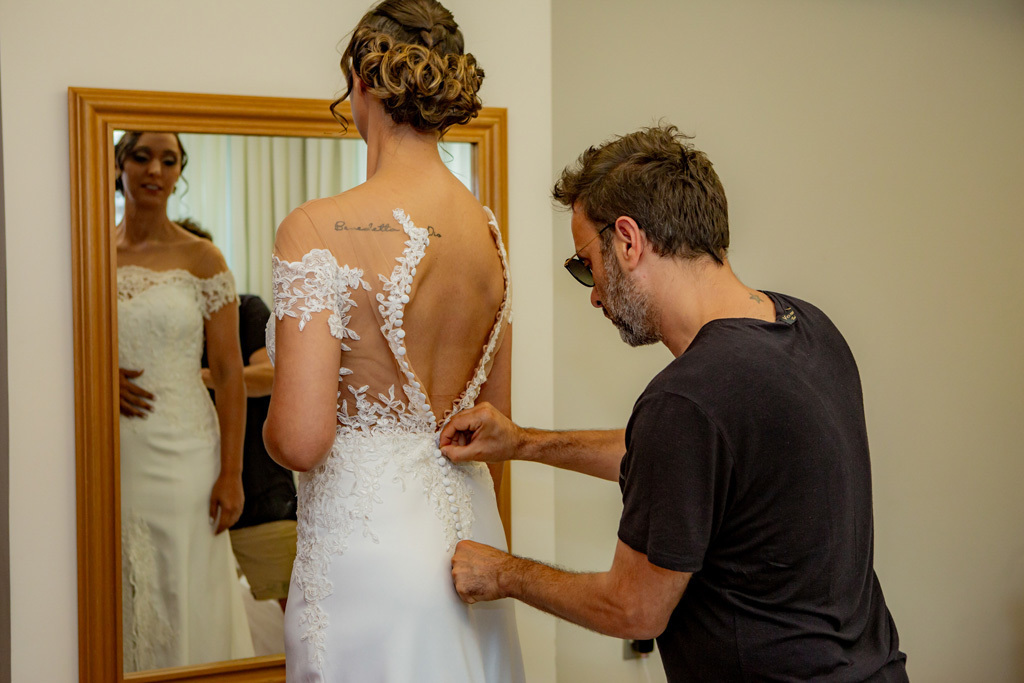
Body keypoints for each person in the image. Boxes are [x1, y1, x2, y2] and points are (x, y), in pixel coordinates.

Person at [441, 125, 909, 681]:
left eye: (585, 264)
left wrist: (502, 573)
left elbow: (633, 607)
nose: (591, 293)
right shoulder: (806, 326)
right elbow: (693, 465)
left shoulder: (686, 401)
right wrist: (523, 443)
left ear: (628, 240)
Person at [261, 1, 525, 681]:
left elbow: (300, 438)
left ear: (361, 82)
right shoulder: (488, 236)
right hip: (472, 536)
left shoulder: (317, 227)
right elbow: (491, 425)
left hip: (368, 551)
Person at [115, 132, 254, 670]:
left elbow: (229, 373)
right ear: (120, 164)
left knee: (186, 578)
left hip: (190, 450)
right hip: (118, 445)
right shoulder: (92, 249)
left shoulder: (201, 258)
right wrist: (101, 375)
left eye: (169, 160)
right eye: (143, 156)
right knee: (127, 575)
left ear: (179, 173)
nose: (155, 169)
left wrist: (232, 473)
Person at [183, 220, 299, 614]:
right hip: (188, 493)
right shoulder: (170, 327)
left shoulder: (247, 309)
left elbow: (272, 376)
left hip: (262, 492)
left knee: (299, 611)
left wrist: (197, 378)